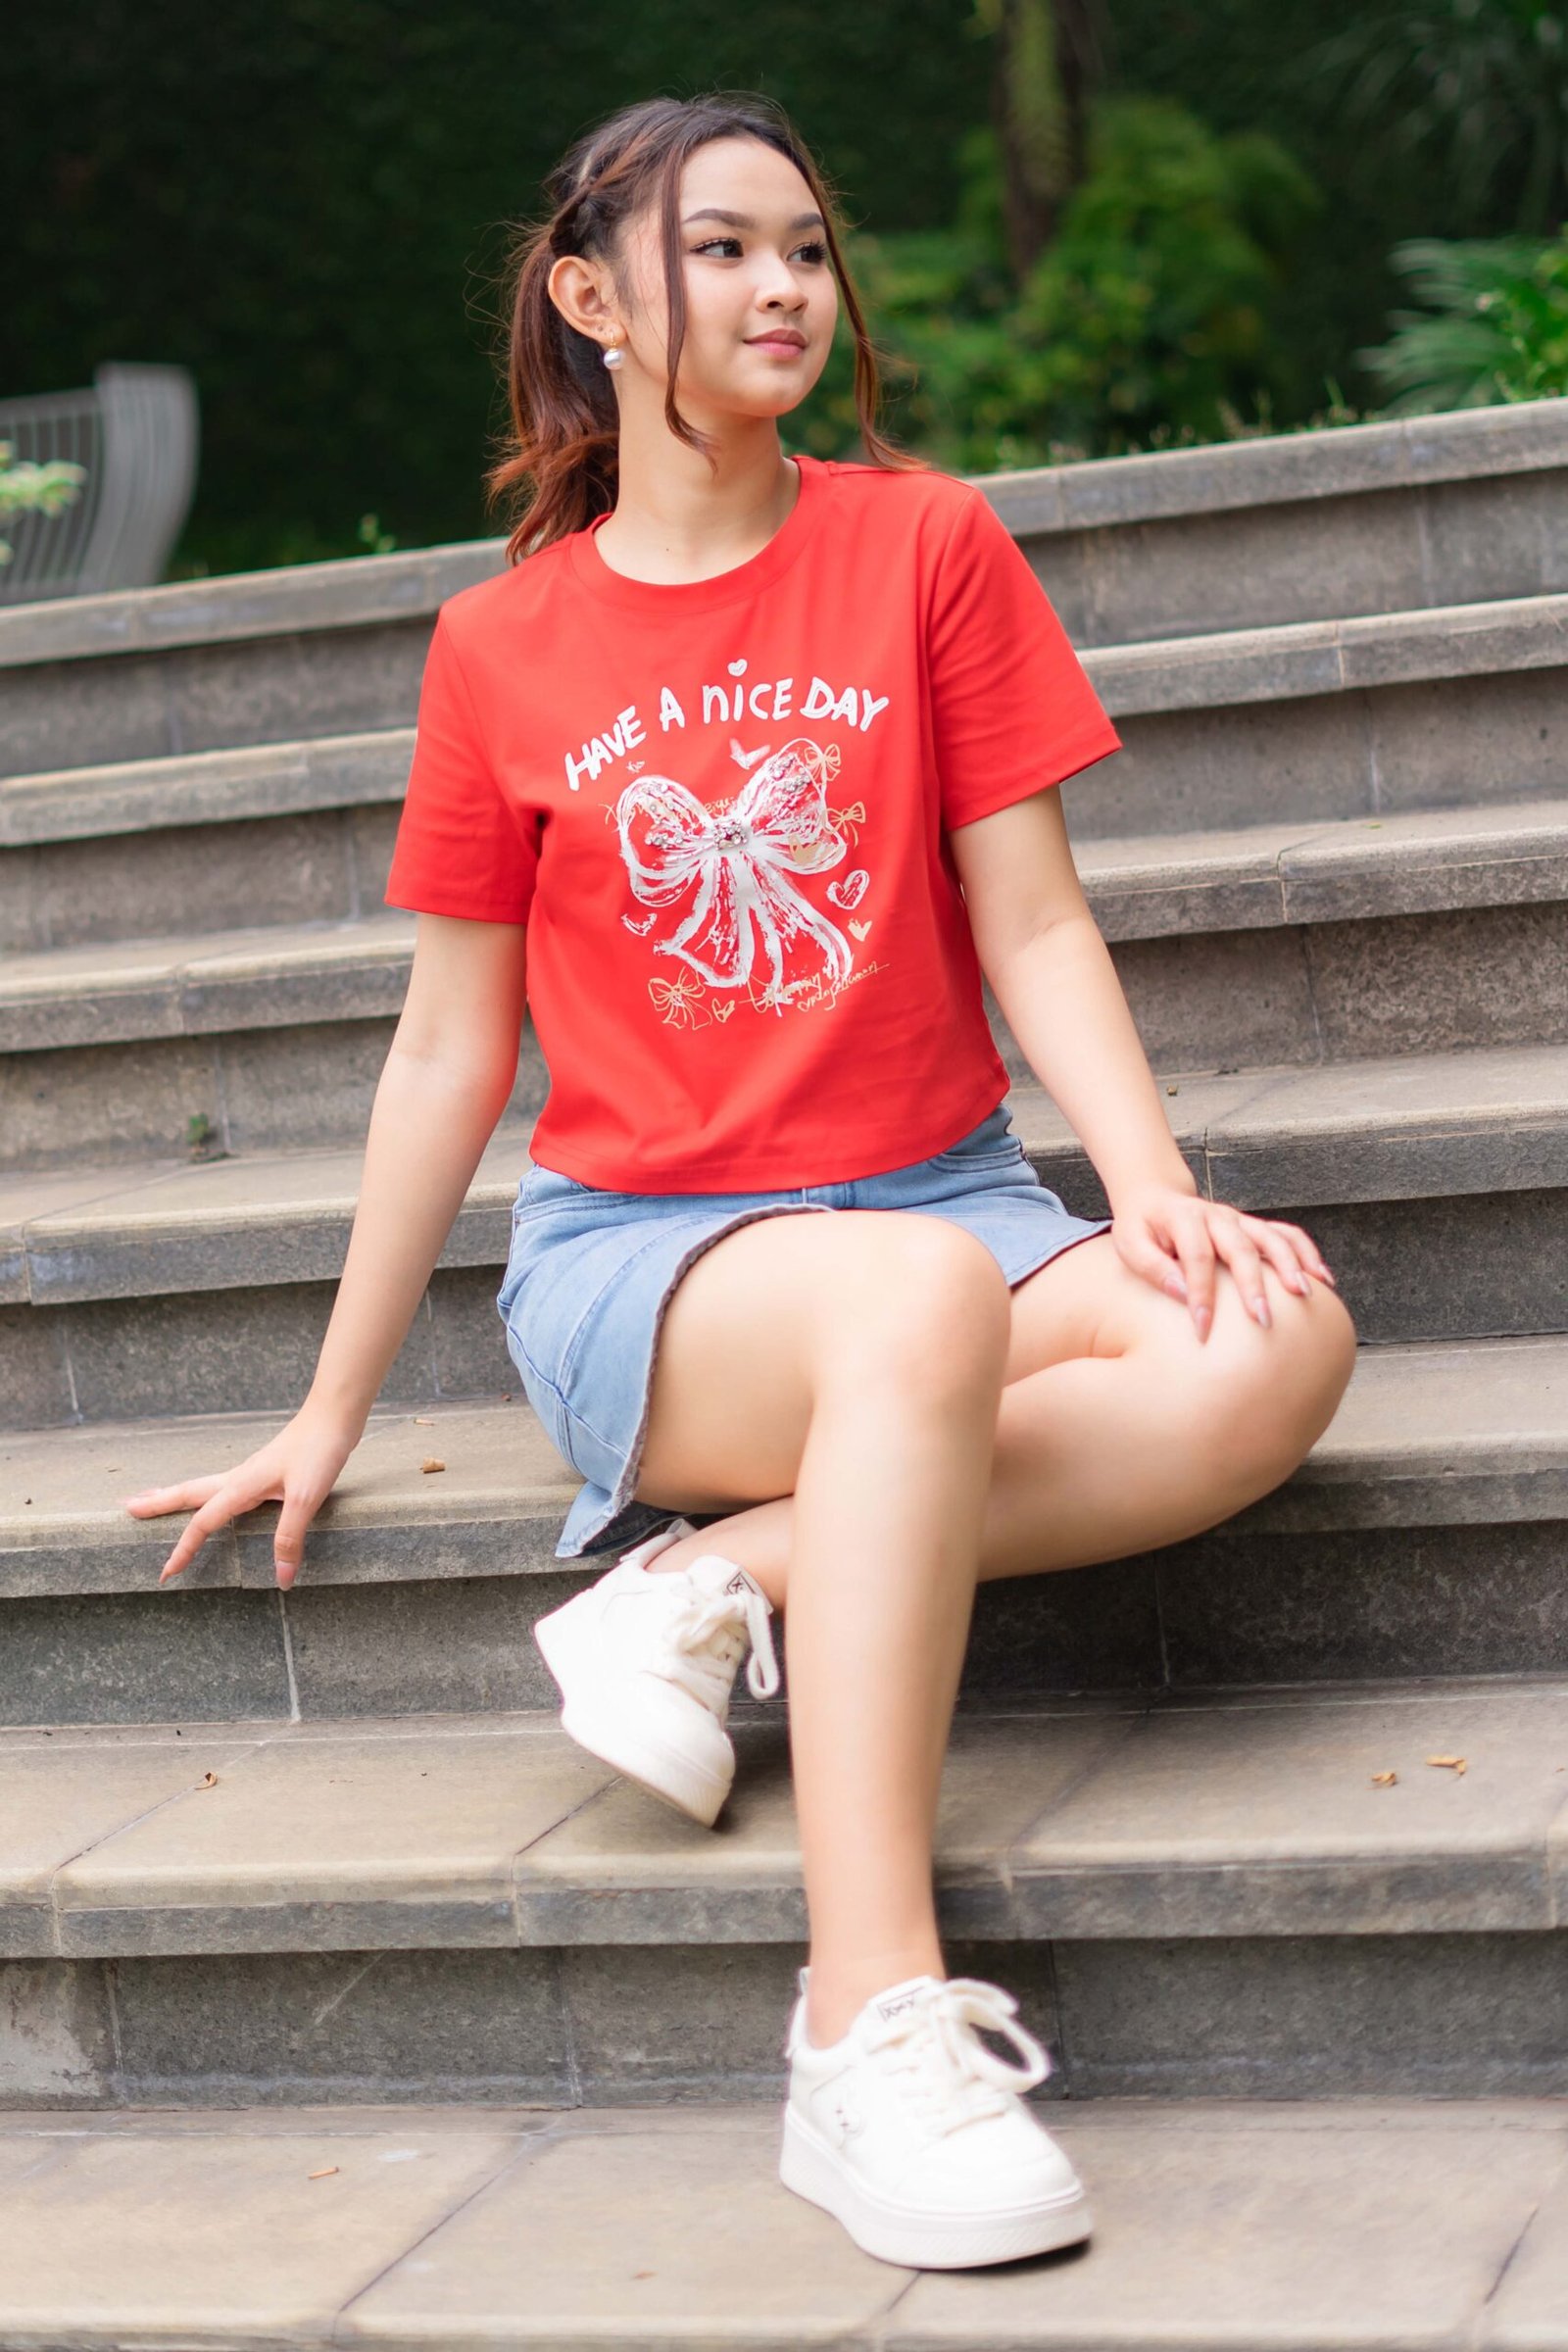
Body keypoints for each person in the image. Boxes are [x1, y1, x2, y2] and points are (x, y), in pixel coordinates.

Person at [124, 90, 1358, 2272]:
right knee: (910, 1310)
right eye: (722, 249)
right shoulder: (499, 650)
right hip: (653, 1265)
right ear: (593, 300)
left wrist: (1148, 1185)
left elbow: (1032, 918)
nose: (784, 287)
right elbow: (448, 1050)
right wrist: (329, 1401)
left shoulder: (924, 545)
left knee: (1269, 1336)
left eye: (804, 247)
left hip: (949, 1201)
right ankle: (862, 2021)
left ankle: (713, 1585)